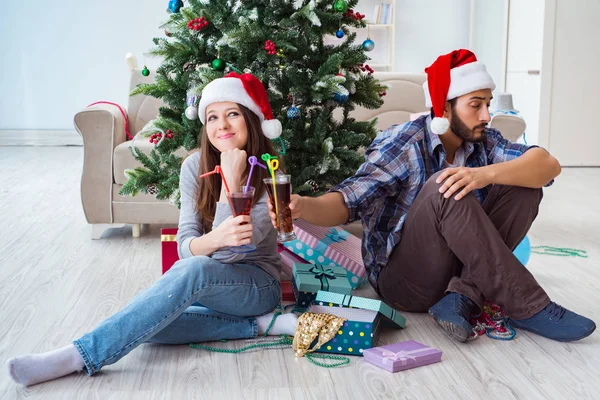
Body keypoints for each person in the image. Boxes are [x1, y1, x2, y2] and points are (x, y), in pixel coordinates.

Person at [270, 49, 595, 343]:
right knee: (447, 185)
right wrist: (304, 206)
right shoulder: (403, 143)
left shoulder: (484, 139)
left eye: (488, 103)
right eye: (475, 105)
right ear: (445, 107)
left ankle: (463, 296)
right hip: (404, 283)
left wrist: (483, 175)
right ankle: (527, 305)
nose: (486, 115)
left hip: (457, 273)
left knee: (523, 184)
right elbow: (348, 202)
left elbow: (547, 165)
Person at [7, 72, 297, 386]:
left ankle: (77, 356)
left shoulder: (271, 173)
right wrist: (212, 239)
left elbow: (227, 255)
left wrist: (232, 184)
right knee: (150, 320)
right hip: (212, 282)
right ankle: (261, 326)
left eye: (232, 114)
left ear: (251, 119)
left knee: (168, 295)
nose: (221, 125)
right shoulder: (193, 167)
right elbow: (185, 245)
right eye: (212, 117)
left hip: (257, 286)